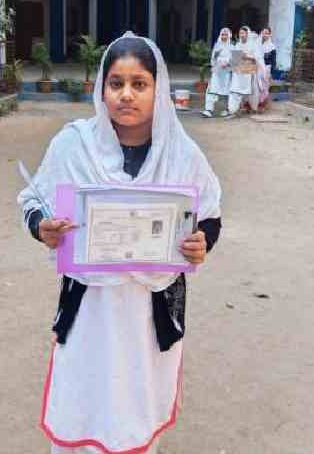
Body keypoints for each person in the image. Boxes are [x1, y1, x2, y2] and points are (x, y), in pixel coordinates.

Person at [18, 31, 223, 454]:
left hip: (150, 312)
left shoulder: (182, 154)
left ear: (158, 88)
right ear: (102, 87)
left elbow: (210, 214)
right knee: (84, 393)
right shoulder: (74, 144)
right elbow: (32, 200)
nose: (126, 95)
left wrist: (203, 243)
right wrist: (43, 227)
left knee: (137, 404)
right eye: (116, 83)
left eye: (139, 84)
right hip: (90, 308)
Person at [227, 25, 259, 116]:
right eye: (240, 33)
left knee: (248, 90)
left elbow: (256, 58)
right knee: (236, 89)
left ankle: (251, 108)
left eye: (243, 33)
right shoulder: (237, 45)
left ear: (247, 34)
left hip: (249, 70)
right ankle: (233, 110)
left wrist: (247, 56)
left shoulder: (253, 45)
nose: (241, 35)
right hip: (238, 70)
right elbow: (235, 59)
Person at [202, 27, 233, 118]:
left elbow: (236, 62)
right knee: (212, 89)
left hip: (227, 73)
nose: (224, 36)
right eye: (222, 34)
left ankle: (227, 109)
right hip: (217, 72)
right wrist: (218, 62)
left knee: (226, 91)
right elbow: (213, 59)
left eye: (226, 34)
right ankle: (208, 110)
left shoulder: (233, 47)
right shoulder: (217, 46)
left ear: (229, 36)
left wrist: (227, 63)